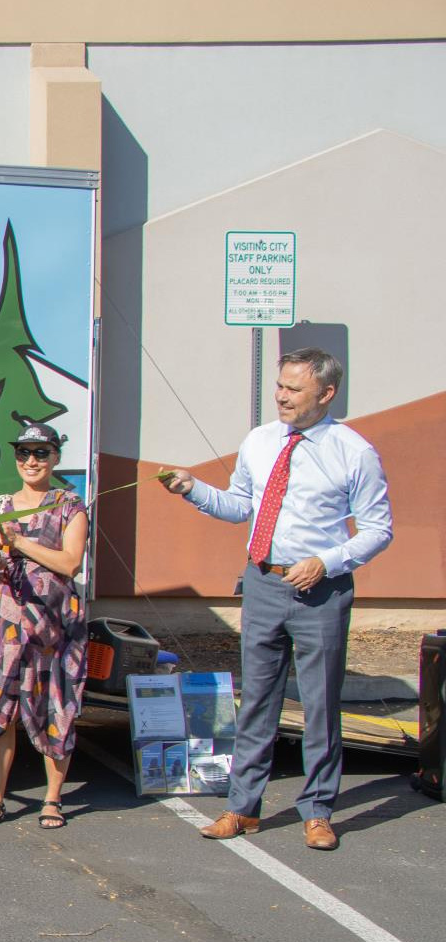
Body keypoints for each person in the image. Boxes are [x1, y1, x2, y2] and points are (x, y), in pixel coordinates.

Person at [159, 348, 392, 851]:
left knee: (319, 705)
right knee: (257, 702)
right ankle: (242, 808)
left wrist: (328, 562)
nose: (282, 397)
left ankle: (318, 811)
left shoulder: (354, 452)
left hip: (319, 590)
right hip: (262, 582)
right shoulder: (261, 441)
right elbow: (240, 505)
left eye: (293, 389)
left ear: (326, 394)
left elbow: (378, 530)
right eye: (280, 386)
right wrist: (193, 488)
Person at [0, 422, 89, 832]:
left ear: (55, 457)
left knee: (56, 708)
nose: (31, 461)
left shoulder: (70, 505)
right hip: (6, 628)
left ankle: (52, 800)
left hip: (56, 629)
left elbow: (70, 563)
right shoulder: (0, 505)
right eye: (24, 453)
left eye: (40, 453)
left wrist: (17, 541)